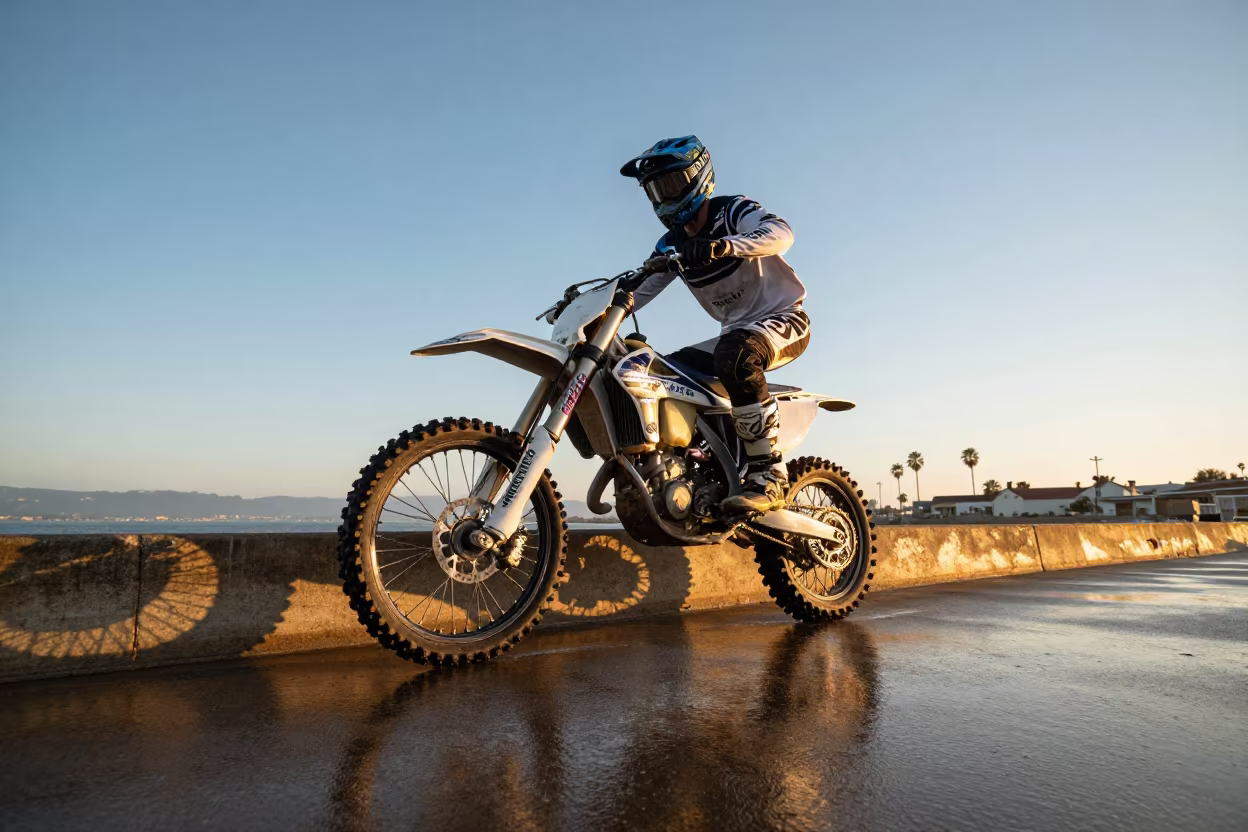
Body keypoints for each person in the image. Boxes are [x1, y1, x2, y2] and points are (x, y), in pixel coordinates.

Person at [620, 135, 810, 513]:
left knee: (737, 355)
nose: (663, 198)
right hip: (733, 332)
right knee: (662, 373)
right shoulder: (670, 244)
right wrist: (597, 308)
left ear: (698, 177)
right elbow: (638, 290)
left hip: (784, 318)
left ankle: (769, 474)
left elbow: (782, 232)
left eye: (670, 185)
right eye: (654, 190)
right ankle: (699, 467)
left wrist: (727, 245)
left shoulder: (734, 211)